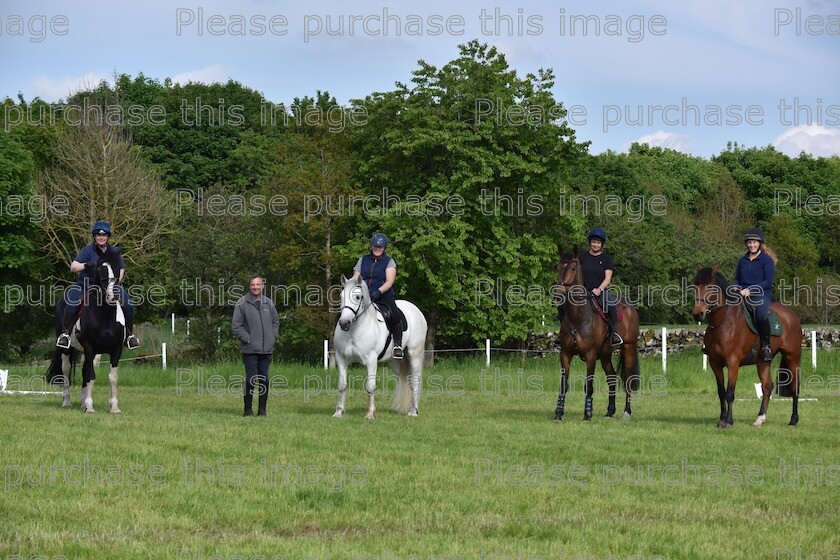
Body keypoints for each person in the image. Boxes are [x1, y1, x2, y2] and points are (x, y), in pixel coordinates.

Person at [56, 221, 139, 349]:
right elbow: (73, 267)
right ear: (94, 236)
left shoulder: (114, 252)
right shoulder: (87, 251)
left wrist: (116, 282)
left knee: (128, 304)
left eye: (104, 235)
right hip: (86, 285)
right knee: (72, 303)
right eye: (98, 235)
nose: (101, 238)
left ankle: (129, 336)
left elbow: (121, 268)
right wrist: (85, 265)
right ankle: (65, 335)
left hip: (109, 286)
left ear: (108, 237)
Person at [231, 275, 280, 417]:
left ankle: (262, 411)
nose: (255, 287)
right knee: (251, 380)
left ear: (263, 286)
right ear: (249, 286)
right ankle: (248, 410)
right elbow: (236, 326)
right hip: (250, 350)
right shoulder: (242, 303)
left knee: (264, 380)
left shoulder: (268, 303)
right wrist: (248, 339)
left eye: (258, 285)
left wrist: (273, 336)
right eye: (253, 285)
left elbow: (276, 321)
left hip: (266, 350)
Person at [353, 233, 403, 359]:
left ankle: (398, 345)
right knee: (348, 311)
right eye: (375, 246)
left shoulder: (389, 261)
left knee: (395, 313)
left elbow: (390, 281)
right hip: (364, 296)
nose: (378, 248)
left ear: (384, 248)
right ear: (371, 246)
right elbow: (356, 278)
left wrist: (379, 291)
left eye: (380, 247)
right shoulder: (363, 260)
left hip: (383, 295)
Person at [735, 228, 777, 362]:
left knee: (761, 315)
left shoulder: (766, 260)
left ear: (759, 243)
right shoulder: (742, 260)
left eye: (754, 242)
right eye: (749, 243)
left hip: (761, 294)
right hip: (742, 294)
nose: (751, 245)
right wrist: (735, 287)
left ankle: (766, 346)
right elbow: (737, 278)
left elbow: (768, 282)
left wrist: (750, 290)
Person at [578, 227, 622, 346]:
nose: (595, 245)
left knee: (611, 306)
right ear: (590, 243)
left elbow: (608, 278)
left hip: (600, 291)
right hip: (584, 291)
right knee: (565, 305)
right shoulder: (581, 258)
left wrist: (599, 289)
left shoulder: (606, 259)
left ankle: (614, 334)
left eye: (598, 243)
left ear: (601, 244)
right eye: (593, 242)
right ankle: (563, 334)